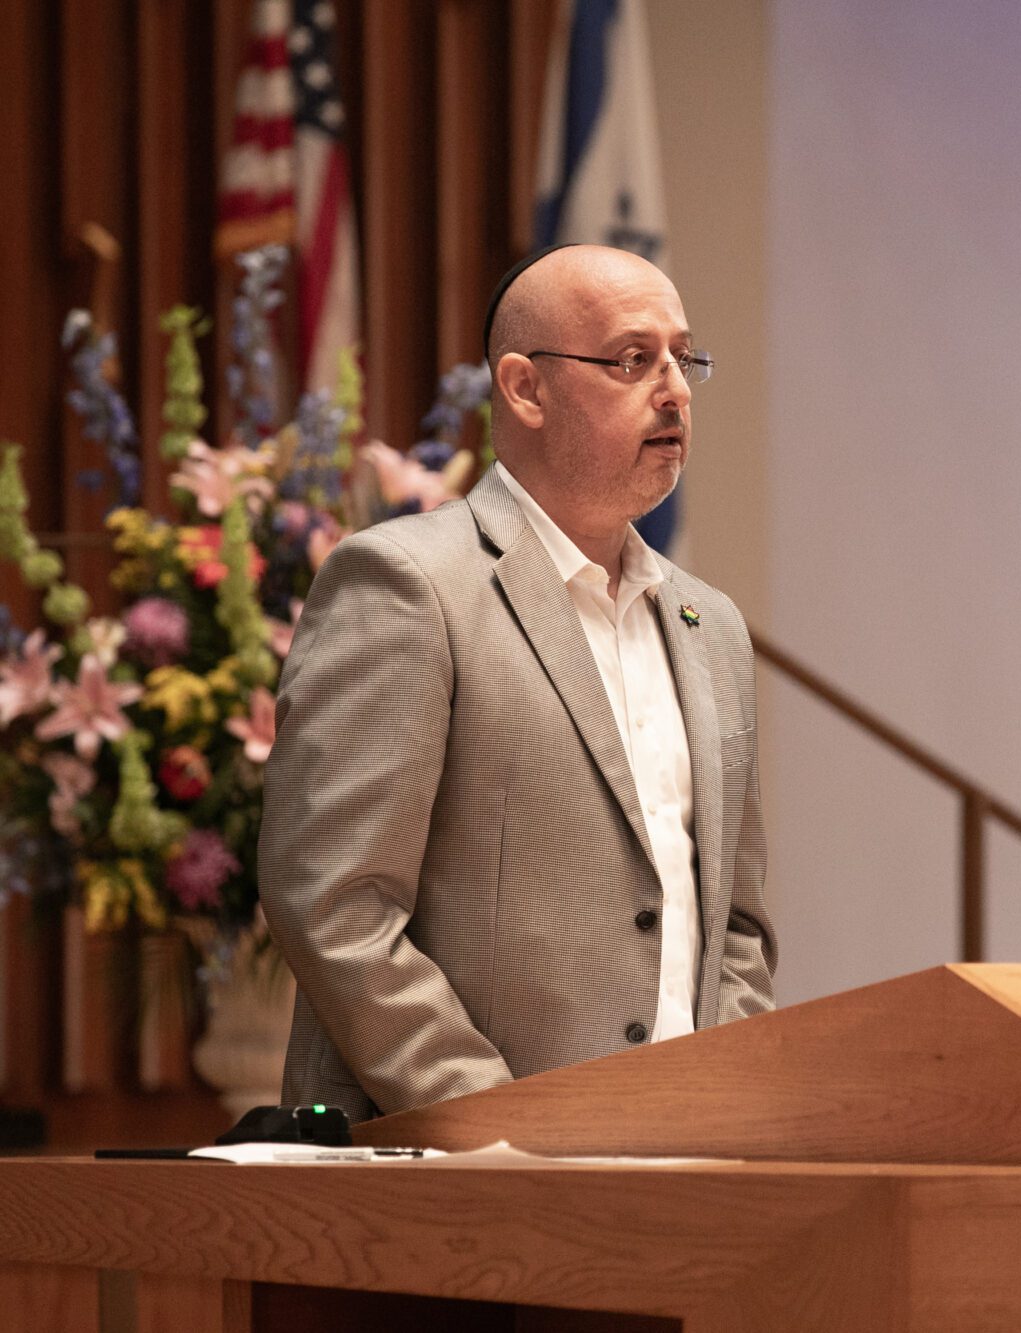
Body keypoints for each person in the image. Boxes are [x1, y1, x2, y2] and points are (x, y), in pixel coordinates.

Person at [261, 244, 775, 1123]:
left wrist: (719, 1109)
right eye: (633, 359)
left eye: (684, 359)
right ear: (525, 388)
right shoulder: (409, 586)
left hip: (683, 1156)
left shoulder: (711, 625)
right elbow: (336, 903)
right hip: (461, 1168)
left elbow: (738, 927)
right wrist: (500, 1124)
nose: (675, 392)